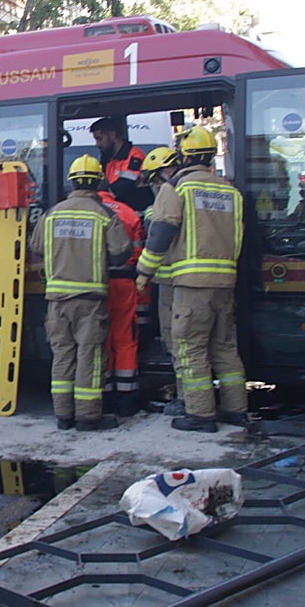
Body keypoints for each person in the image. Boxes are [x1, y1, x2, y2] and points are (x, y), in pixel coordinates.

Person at [135, 127, 247, 433]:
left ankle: (200, 415)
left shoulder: (178, 189)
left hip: (192, 285)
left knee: (190, 348)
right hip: (225, 283)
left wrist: (144, 272)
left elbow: (161, 232)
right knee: (224, 347)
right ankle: (236, 410)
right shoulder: (230, 191)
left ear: (184, 156)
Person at [30, 155, 130, 431]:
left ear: (71, 182)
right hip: (90, 300)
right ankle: (88, 416)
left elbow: (36, 246)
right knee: (90, 356)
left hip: (57, 301)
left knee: (62, 356)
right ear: (98, 181)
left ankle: (63, 416)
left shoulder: (51, 214)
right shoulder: (104, 215)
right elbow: (122, 254)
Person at [139, 146, 184, 415]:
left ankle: (190, 403)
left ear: (167, 170)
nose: (155, 186)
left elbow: (157, 235)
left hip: (176, 284)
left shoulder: (172, 193)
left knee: (179, 344)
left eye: (156, 179)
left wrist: (142, 274)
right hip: (189, 282)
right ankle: (230, 406)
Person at [97, 186, 145, 417]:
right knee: (125, 338)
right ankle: (126, 399)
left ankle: (104, 394)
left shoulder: (89, 211)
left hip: (97, 284)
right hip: (125, 281)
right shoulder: (128, 212)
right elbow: (138, 252)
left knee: (101, 339)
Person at [90, 115, 152, 213]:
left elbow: (124, 185)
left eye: (100, 138)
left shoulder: (135, 156)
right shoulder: (107, 158)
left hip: (134, 211)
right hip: (116, 209)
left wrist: (98, 196)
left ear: (112, 135)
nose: (97, 144)